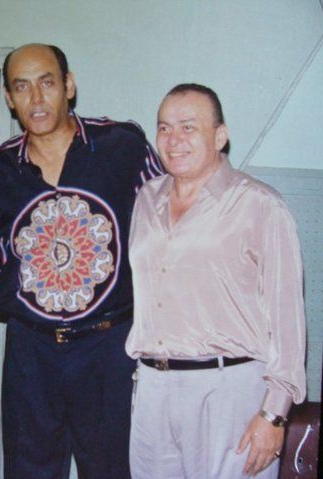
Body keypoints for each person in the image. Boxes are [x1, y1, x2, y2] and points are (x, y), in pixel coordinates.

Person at [0, 43, 163, 478]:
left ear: (69, 85)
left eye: (47, 83)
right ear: (9, 98)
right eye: (22, 87)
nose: (36, 99)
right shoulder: (0, 168)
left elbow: (173, 227)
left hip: (108, 350)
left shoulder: (122, 145)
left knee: (114, 470)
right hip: (31, 354)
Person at [125, 83, 306, 479]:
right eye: (164, 128)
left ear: (220, 136)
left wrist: (274, 414)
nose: (174, 139)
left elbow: (288, 322)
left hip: (229, 390)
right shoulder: (146, 199)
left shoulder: (260, 205)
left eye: (188, 127)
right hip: (153, 388)